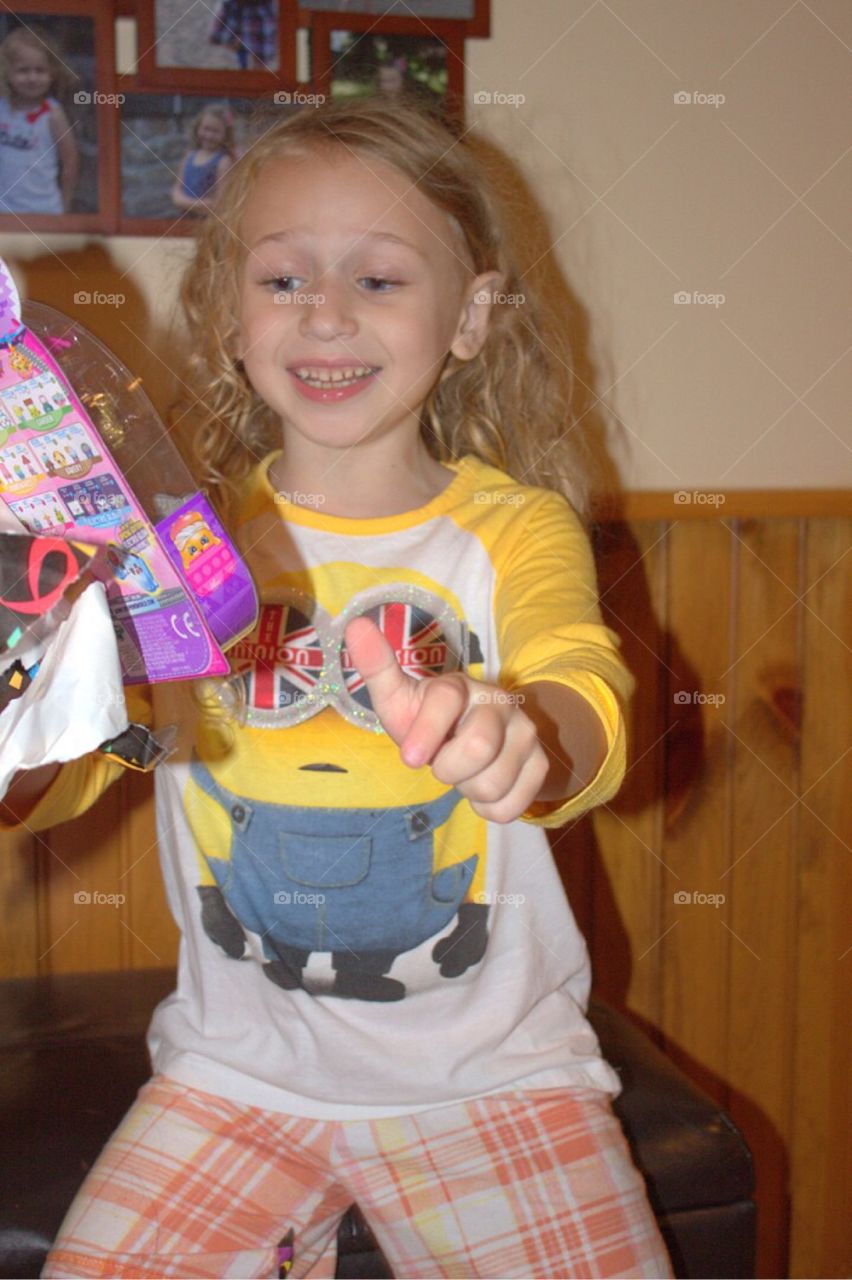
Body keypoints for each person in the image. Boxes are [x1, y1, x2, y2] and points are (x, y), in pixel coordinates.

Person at [1, 95, 673, 1278]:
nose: (324, 312)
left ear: (468, 316)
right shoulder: (175, 553)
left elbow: (583, 690)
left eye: (378, 279)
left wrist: (523, 735)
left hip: (496, 1079)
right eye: (280, 280)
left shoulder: (511, 532)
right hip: (232, 1078)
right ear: (224, 318)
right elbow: (78, 765)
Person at [0, 26, 79, 216]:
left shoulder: (52, 114)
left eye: (40, 70)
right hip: (4, 210)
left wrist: (64, 207)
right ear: (7, 72)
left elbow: (70, 162)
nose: (32, 78)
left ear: (52, 73)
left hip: (44, 210)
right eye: (23, 70)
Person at [171, 103, 236, 216]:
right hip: (183, 220)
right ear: (197, 128)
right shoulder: (189, 157)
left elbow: (221, 204)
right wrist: (197, 204)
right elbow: (176, 193)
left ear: (226, 135)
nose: (209, 135)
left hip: (207, 224)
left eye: (216, 131)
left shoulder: (223, 162)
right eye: (206, 129)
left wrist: (185, 203)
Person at [208, 0, 277, 72]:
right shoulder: (228, 5)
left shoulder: (268, 8)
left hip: (260, 59)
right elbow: (214, 36)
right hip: (236, 53)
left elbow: (267, 49)